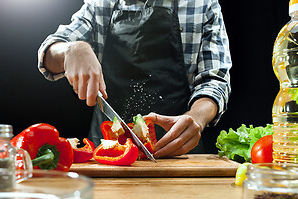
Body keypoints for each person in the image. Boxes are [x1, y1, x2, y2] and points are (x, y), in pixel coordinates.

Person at [38, 0, 232, 158]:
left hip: (180, 152)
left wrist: (196, 117)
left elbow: (215, 81)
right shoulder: (101, 5)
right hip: (109, 154)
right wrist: (71, 50)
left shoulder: (202, 5)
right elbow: (48, 55)